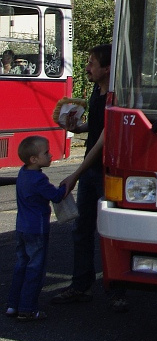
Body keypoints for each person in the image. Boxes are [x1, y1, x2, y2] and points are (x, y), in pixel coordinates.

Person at [51, 44, 125, 308]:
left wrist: (74, 174)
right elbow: (95, 129)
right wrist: (76, 127)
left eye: (92, 63)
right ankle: (81, 286)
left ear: (106, 69)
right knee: (82, 229)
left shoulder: (114, 96)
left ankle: (116, 290)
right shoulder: (96, 90)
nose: (87, 68)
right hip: (91, 168)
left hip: (106, 170)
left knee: (110, 232)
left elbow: (104, 139)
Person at [6, 136, 68, 322]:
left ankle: (13, 304)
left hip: (22, 227)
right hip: (37, 229)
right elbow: (56, 196)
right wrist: (66, 185)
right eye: (46, 153)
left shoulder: (23, 173)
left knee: (21, 266)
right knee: (35, 269)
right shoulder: (39, 179)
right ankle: (28, 309)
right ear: (34, 159)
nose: (50, 155)